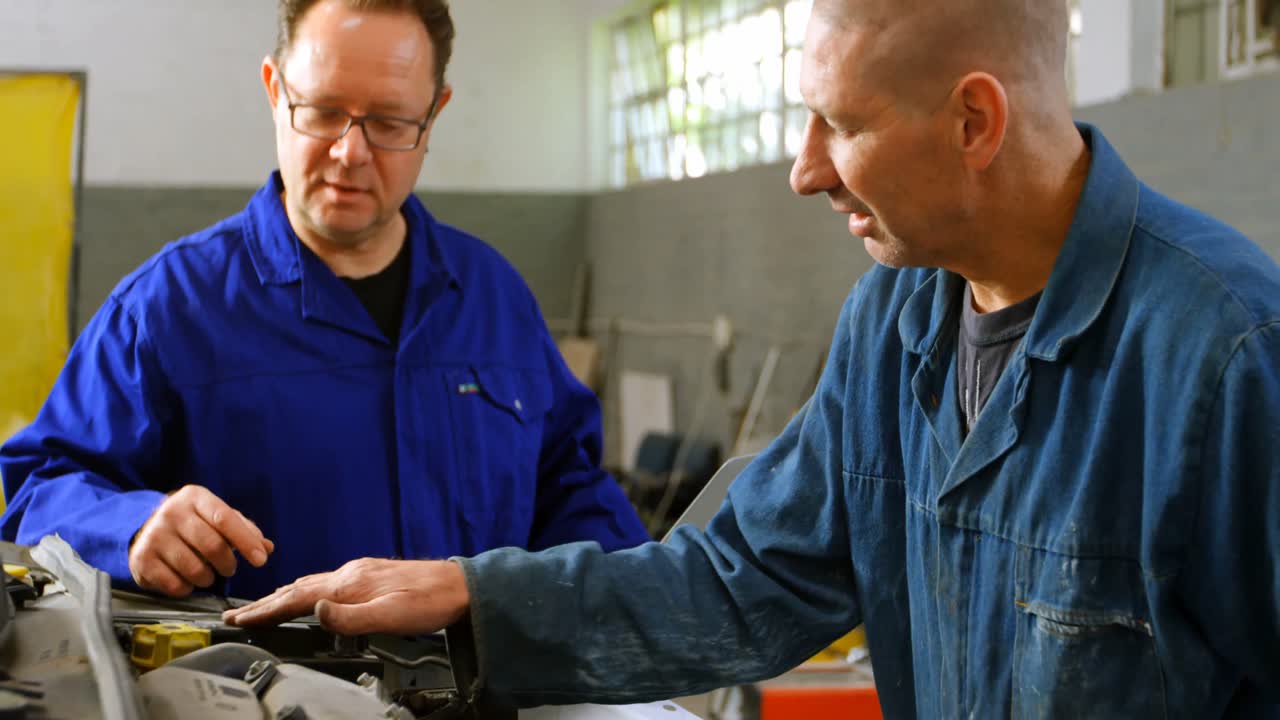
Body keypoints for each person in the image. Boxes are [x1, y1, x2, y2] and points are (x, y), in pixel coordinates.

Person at [226, 0, 1280, 716]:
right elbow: (739, 581)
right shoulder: (892, 323)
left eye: (836, 124)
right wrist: (472, 595)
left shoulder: (1225, 357)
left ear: (973, 120)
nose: (801, 170)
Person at [0, 0, 648, 601]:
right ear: (275, 91)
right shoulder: (167, 309)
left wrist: (646, 596)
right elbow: (36, 488)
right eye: (324, 111)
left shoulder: (494, 300)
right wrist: (130, 526)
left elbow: (571, 491)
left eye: (390, 122)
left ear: (434, 114)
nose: (350, 153)